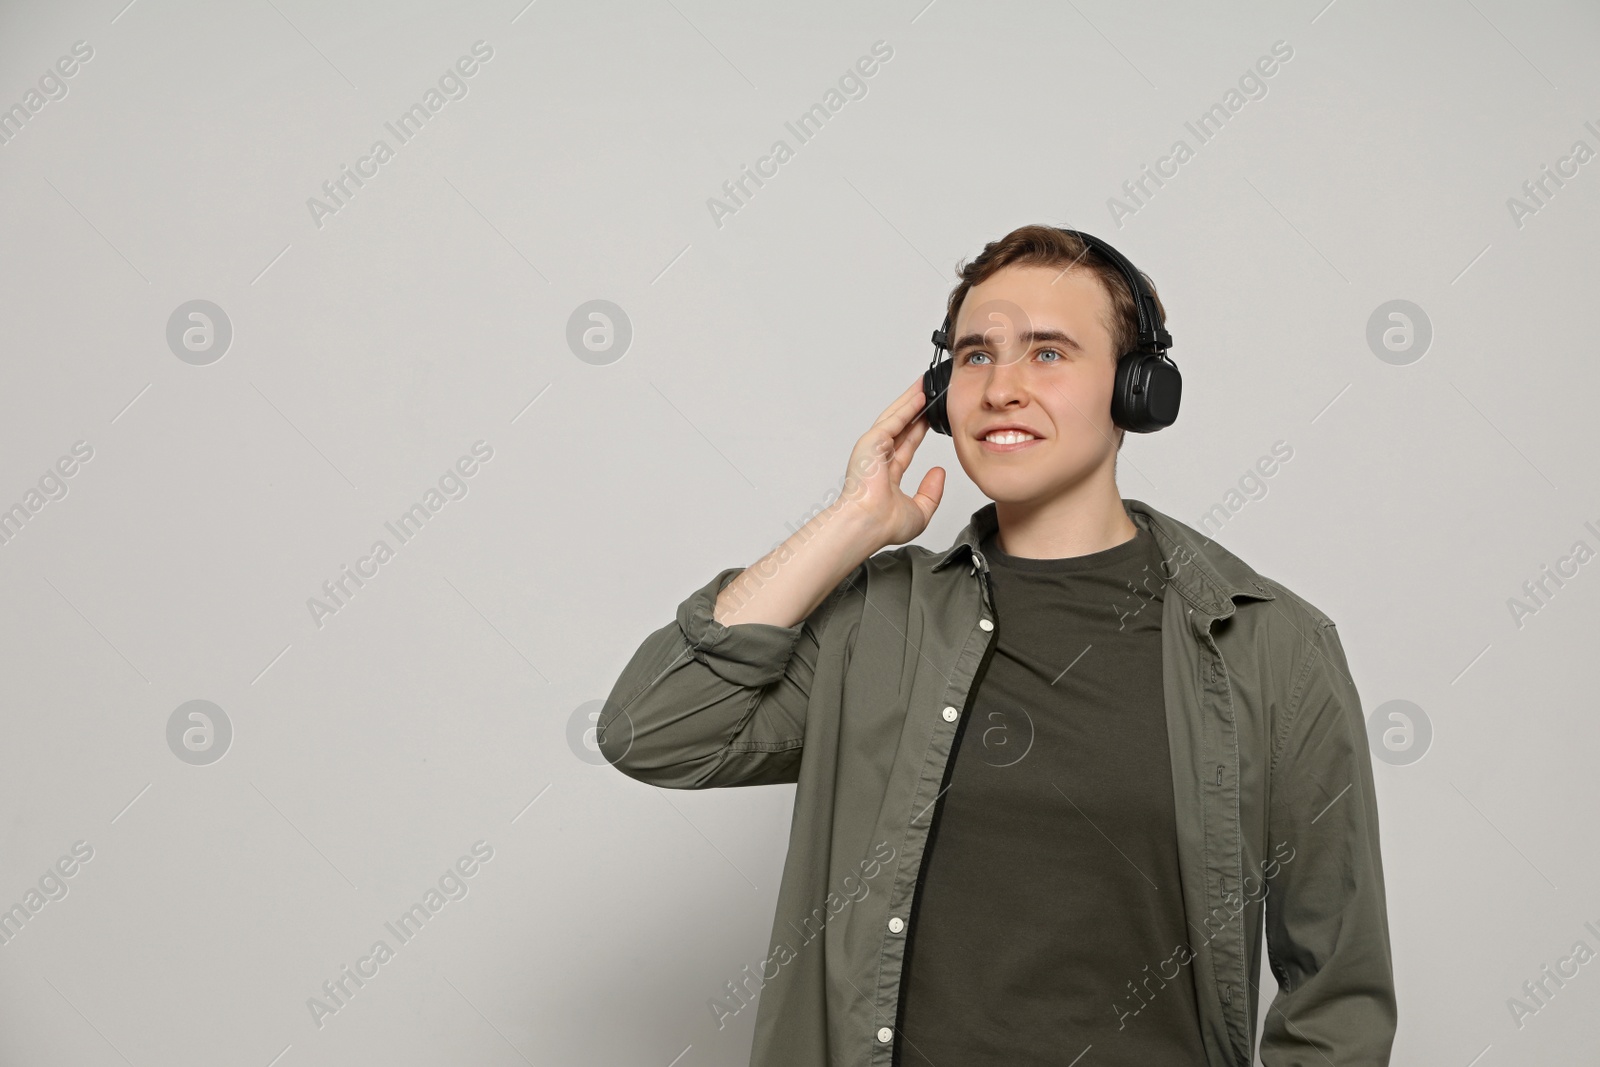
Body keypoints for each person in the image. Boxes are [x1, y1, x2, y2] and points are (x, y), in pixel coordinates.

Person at [598, 225, 1396, 1066]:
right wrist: (849, 523)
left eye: (1049, 354)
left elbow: (1335, 988)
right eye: (976, 356)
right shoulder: (875, 622)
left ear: (1137, 390)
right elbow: (651, 731)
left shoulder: (1270, 644)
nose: (1002, 387)